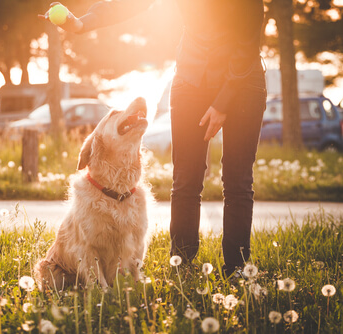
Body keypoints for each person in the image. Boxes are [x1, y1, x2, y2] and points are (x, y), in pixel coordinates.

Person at [41, 0, 267, 278]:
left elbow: (247, 42)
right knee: (186, 179)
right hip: (192, 78)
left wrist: (222, 103)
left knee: (238, 181)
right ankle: (182, 267)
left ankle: (237, 270)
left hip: (243, 81)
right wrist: (83, 22)